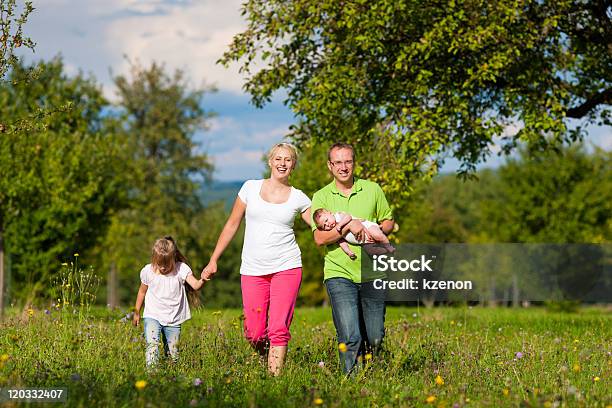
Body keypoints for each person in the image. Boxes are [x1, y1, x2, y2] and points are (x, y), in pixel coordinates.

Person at [201, 142, 311, 376]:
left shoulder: (299, 198)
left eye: (288, 160)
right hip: (253, 270)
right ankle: (266, 357)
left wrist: (345, 235)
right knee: (254, 333)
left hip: (287, 267)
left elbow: (320, 226)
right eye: (278, 158)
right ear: (270, 161)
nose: (283, 163)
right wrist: (213, 259)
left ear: (293, 166)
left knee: (278, 327)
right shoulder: (250, 188)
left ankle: (274, 380)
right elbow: (232, 224)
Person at [311, 143, 394, 375]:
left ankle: (371, 376)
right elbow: (319, 237)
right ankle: (351, 386)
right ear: (330, 166)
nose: (343, 167)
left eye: (348, 161)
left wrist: (376, 229)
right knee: (349, 335)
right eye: (338, 162)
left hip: (373, 273)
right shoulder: (321, 196)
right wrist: (350, 226)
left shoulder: (372, 189)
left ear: (354, 163)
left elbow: (388, 220)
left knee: (375, 336)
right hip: (339, 273)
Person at [133, 236, 205, 367]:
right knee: (152, 346)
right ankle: (152, 375)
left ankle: (170, 378)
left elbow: (195, 285)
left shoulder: (181, 269)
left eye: (166, 264)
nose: (163, 268)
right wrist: (137, 311)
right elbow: (142, 292)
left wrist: (203, 279)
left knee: (173, 355)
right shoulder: (148, 271)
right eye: (159, 264)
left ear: (173, 258)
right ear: (154, 259)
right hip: (152, 315)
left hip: (173, 319)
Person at [312, 208, 395, 259]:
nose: (328, 224)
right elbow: (342, 243)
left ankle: (388, 246)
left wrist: (340, 225)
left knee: (378, 235)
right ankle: (386, 251)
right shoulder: (334, 233)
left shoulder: (338, 216)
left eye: (326, 220)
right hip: (364, 241)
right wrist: (348, 252)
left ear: (330, 213)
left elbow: (348, 217)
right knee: (371, 251)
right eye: (324, 226)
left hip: (368, 227)